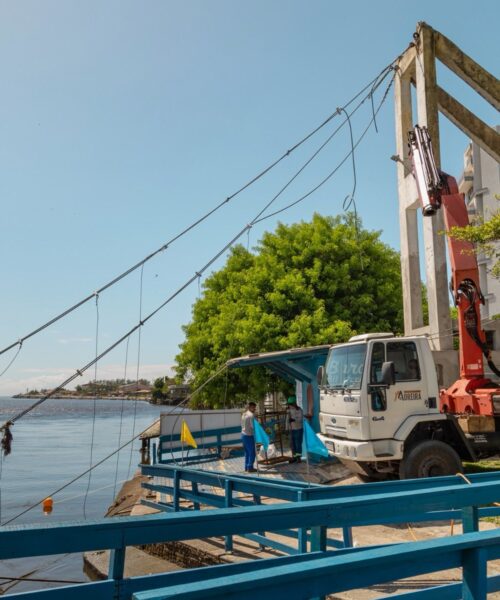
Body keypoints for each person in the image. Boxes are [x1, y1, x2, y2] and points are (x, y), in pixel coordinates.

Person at [286, 396, 304, 463]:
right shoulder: (288, 410)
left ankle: (298, 457)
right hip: (292, 429)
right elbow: (287, 420)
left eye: (291, 404)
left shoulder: (299, 410)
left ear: (294, 403)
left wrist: (294, 420)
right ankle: (294, 457)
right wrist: (286, 428)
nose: (290, 405)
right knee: (292, 444)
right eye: (289, 404)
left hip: (298, 429)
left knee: (298, 444)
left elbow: (300, 419)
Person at [241, 402, 257, 472]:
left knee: (247, 452)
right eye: (253, 408)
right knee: (252, 452)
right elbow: (253, 427)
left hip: (243, 435)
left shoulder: (244, 414)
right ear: (250, 407)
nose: (254, 409)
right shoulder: (251, 415)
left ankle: (246, 467)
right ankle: (250, 467)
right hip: (249, 435)